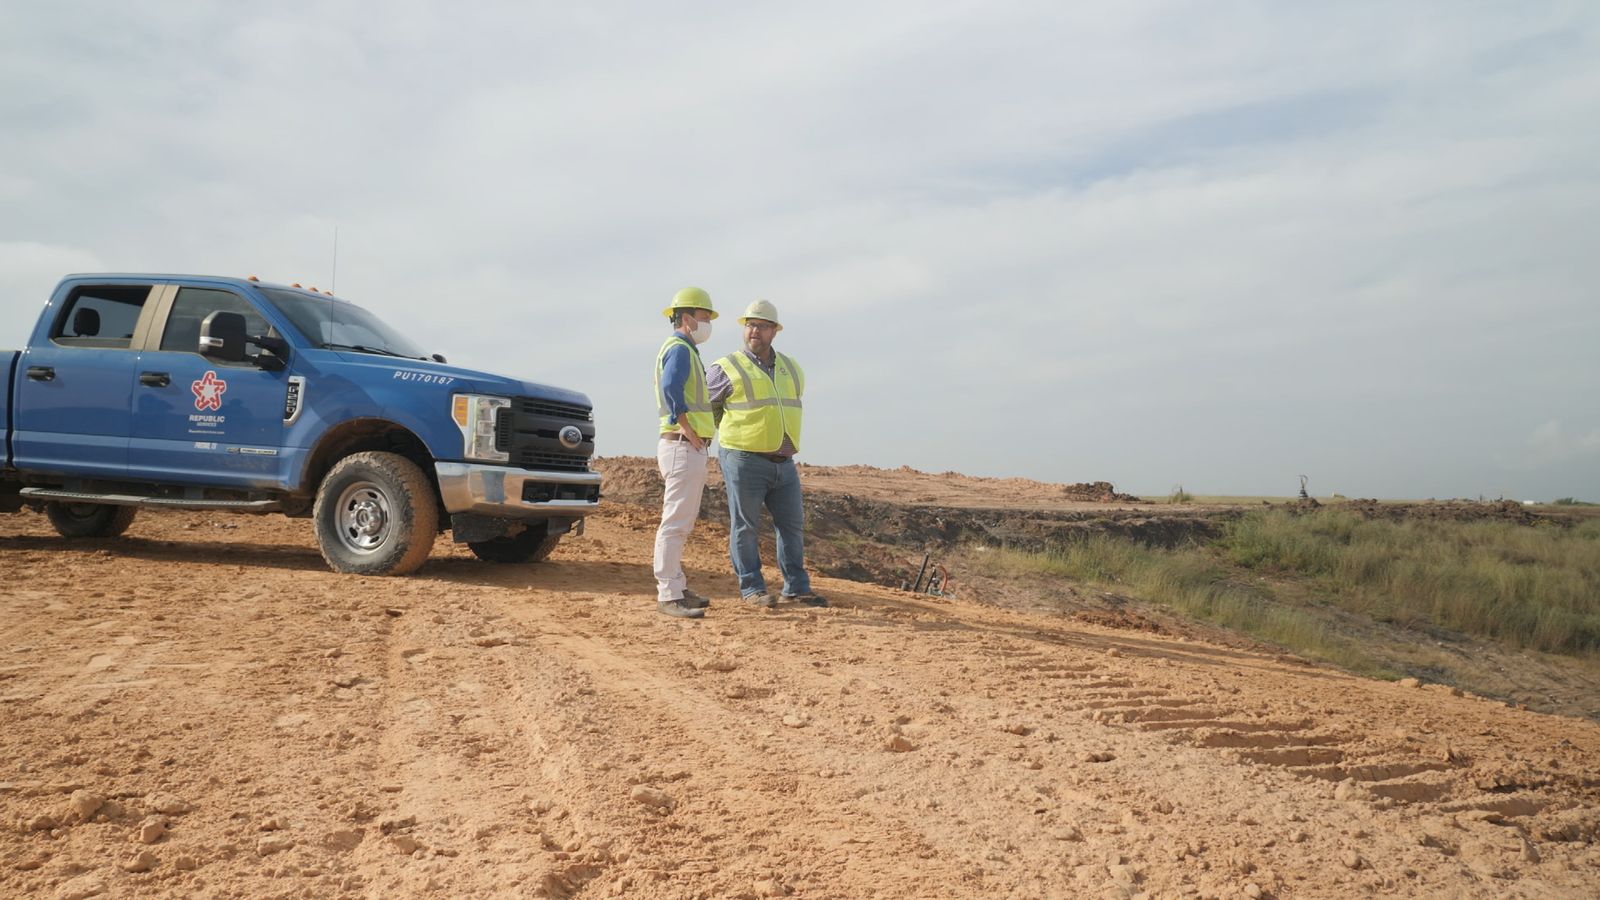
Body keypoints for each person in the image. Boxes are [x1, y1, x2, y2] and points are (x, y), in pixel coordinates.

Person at [707, 299, 826, 609]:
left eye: (760, 325)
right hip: (744, 459)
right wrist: (731, 437)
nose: (753, 330)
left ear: (774, 331)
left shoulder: (791, 368)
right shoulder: (726, 368)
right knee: (745, 526)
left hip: (784, 463)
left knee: (791, 525)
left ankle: (796, 588)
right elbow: (706, 409)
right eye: (749, 324)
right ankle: (752, 589)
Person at [652, 286, 718, 619]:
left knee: (681, 522)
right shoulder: (679, 349)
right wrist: (688, 430)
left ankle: (676, 587)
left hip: (686, 447)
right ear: (688, 318)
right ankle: (668, 593)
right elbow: (670, 388)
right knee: (675, 524)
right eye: (705, 317)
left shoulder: (686, 350)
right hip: (682, 445)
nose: (707, 324)